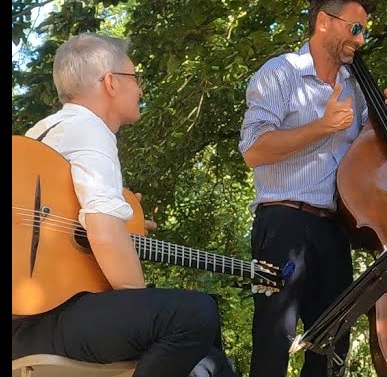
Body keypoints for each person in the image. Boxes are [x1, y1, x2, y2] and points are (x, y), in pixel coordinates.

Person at [12, 33, 236, 377]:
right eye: (136, 78)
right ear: (111, 83)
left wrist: (125, 226)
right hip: (48, 320)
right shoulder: (90, 129)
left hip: (27, 322)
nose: (141, 90)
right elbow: (102, 230)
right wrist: (138, 299)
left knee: (209, 363)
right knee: (195, 314)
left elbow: (60, 228)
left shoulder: (41, 132)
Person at [238, 0, 387, 377]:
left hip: (336, 229)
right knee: (273, 337)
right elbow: (254, 150)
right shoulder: (279, 73)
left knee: (333, 343)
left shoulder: (357, 88)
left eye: (365, 30)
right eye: (355, 28)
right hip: (283, 221)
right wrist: (322, 127)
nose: (361, 39)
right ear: (323, 23)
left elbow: (374, 155)